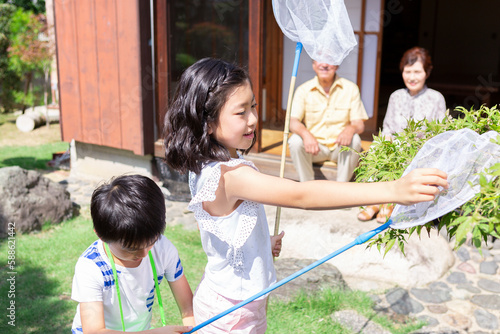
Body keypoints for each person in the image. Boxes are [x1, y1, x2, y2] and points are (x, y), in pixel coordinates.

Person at [163, 58, 448, 333]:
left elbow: (220, 229)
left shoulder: (203, 164)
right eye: (241, 112)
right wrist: (393, 189)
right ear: (208, 122)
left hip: (237, 302)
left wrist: (260, 244)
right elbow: (301, 194)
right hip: (230, 314)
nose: (253, 119)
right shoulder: (230, 175)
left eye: (254, 106)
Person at [71, 175, 195, 334]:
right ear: (101, 236)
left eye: (151, 241)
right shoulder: (90, 267)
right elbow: (94, 331)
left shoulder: (162, 248)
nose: (144, 253)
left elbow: (188, 307)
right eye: (131, 248)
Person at [358, 46, 447, 223]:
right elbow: (388, 128)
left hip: (421, 151)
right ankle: (376, 201)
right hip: (395, 146)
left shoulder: (436, 98)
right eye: (407, 72)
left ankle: (390, 203)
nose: (412, 77)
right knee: (376, 148)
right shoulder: (395, 96)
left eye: (417, 72)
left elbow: (441, 135)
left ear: (427, 72)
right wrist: (386, 148)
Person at [288, 60, 369, 182]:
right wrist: (306, 135)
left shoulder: (350, 88)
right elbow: (292, 121)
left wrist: (350, 129)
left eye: (330, 60)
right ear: (313, 64)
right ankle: (308, 186)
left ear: (337, 65)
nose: (324, 65)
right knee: (295, 141)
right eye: (320, 60)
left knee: (355, 139)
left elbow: (359, 123)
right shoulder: (303, 90)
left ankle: (341, 188)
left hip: (340, 148)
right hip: (314, 148)